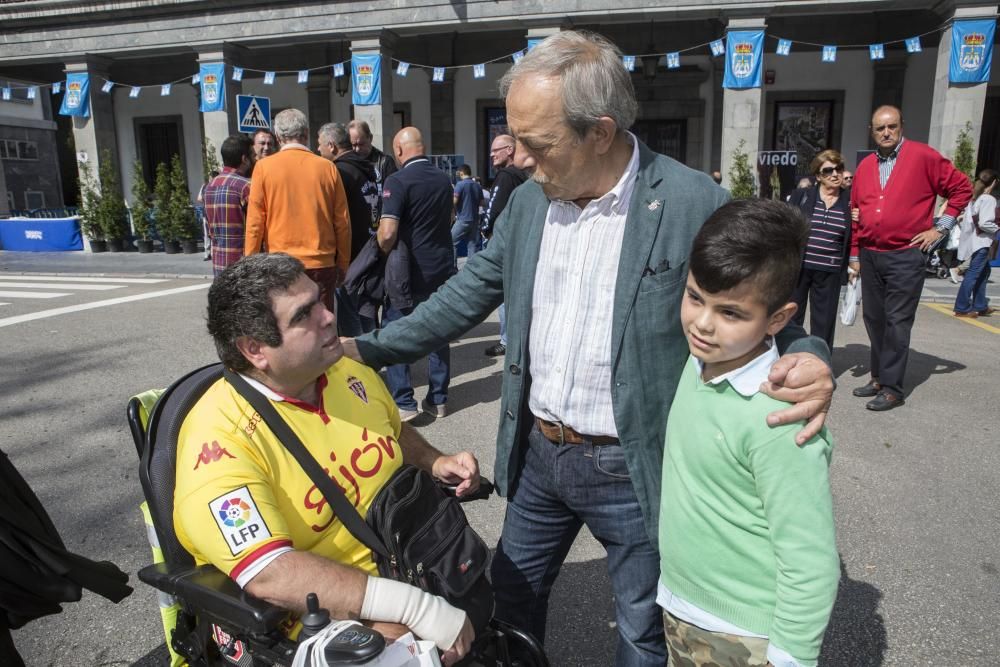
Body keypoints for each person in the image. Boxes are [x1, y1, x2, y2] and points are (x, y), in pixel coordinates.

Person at [343, 31, 834, 666]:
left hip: (630, 465)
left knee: (640, 629)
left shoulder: (690, 202)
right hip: (541, 453)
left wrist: (813, 355)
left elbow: (762, 303)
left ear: (599, 133)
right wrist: (370, 349)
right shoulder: (527, 203)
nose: (516, 157)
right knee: (509, 604)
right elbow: (464, 294)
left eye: (535, 143)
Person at [173, 253, 477, 664]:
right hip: (307, 616)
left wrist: (433, 460)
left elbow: (390, 428)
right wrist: (414, 609)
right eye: (304, 314)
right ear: (255, 349)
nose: (329, 317)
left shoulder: (343, 371)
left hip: (404, 564)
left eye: (320, 300)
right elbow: (271, 572)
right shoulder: (217, 440)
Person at [658, 198, 839, 667]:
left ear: (778, 319)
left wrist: (791, 657)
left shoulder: (779, 418)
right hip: (681, 605)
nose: (702, 323)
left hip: (743, 635)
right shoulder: (698, 362)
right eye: (695, 296)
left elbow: (810, 560)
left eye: (731, 313)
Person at [849, 105, 972, 411]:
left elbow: (961, 189)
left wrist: (939, 229)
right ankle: (878, 376)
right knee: (875, 319)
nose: (886, 132)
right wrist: (854, 254)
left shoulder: (923, 156)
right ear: (872, 131)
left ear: (902, 125)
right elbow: (855, 214)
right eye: (880, 128)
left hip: (905, 254)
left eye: (891, 126)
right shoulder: (865, 166)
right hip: (871, 253)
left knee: (897, 322)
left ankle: (892, 388)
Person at [377, 127, 456, 422]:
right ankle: (439, 399)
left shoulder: (396, 181)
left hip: (408, 272)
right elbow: (449, 219)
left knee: (396, 332)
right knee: (439, 332)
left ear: (398, 150)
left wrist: (380, 252)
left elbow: (387, 233)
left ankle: (404, 402)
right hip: (442, 267)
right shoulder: (444, 179)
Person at [245, 108, 351, 315]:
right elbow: (342, 222)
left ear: (278, 137)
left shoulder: (264, 168)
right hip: (322, 261)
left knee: (286, 325)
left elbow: (255, 223)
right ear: (306, 134)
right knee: (322, 323)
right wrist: (343, 263)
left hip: (280, 263)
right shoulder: (327, 168)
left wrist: (250, 262)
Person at [318, 122, 381, 336]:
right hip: (369, 248)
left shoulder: (339, 171)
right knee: (366, 310)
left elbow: (334, 216)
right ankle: (374, 357)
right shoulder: (365, 168)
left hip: (351, 253)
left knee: (349, 315)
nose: (318, 150)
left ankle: (360, 362)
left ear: (332, 146)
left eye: (320, 145)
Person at [787, 149, 852, 350]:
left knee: (824, 322)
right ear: (818, 176)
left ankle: (818, 360)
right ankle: (787, 355)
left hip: (830, 271)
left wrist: (854, 262)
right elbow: (785, 227)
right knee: (791, 316)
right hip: (799, 267)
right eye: (828, 171)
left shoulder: (850, 202)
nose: (835, 174)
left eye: (838, 169)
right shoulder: (802, 196)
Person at [481, 134, 527, 358]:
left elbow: (494, 208)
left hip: (504, 242)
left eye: (495, 150)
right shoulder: (523, 176)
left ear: (510, 150)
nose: (491, 155)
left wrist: (486, 230)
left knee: (503, 293)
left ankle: (506, 340)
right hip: (521, 241)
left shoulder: (506, 176)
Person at [203, 136, 254, 277]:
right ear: (244, 159)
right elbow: (255, 226)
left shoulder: (209, 187)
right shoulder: (246, 186)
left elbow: (208, 227)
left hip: (219, 261)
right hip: (243, 263)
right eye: (252, 155)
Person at [953, 169, 998, 318]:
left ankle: (980, 305)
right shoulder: (988, 199)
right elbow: (985, 223)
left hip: (975, 242)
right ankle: (961, 307)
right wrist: (997, 227)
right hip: (983, 241)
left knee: (984, 272)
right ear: (993, 183)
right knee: (973, 274)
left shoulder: (975, 199)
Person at [349, 120, 398, 197]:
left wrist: (383, 199)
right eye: (354, 145)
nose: (357, 149)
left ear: (370, 138)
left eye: (361, 144)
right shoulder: (348, 163)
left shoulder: (385, 162)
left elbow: (392, 191)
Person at [451, 164, 484, 266]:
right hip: (474, 219)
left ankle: (453, 267)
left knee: (451, 241)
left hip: (463, 219)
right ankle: (471, 270)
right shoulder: (477, 185)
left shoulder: (460, 185)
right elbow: (482, 203)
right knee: (472, 245)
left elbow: (454, 201)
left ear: (461, 173)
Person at [197, 170, 219, 261]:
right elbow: (199, 198)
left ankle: (207, 254)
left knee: (207, 234)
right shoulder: (218, 186)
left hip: (207, 213)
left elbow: (199, 199)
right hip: (214, 214)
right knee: (213, 233)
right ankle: (212, 253)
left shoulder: (205, 186)